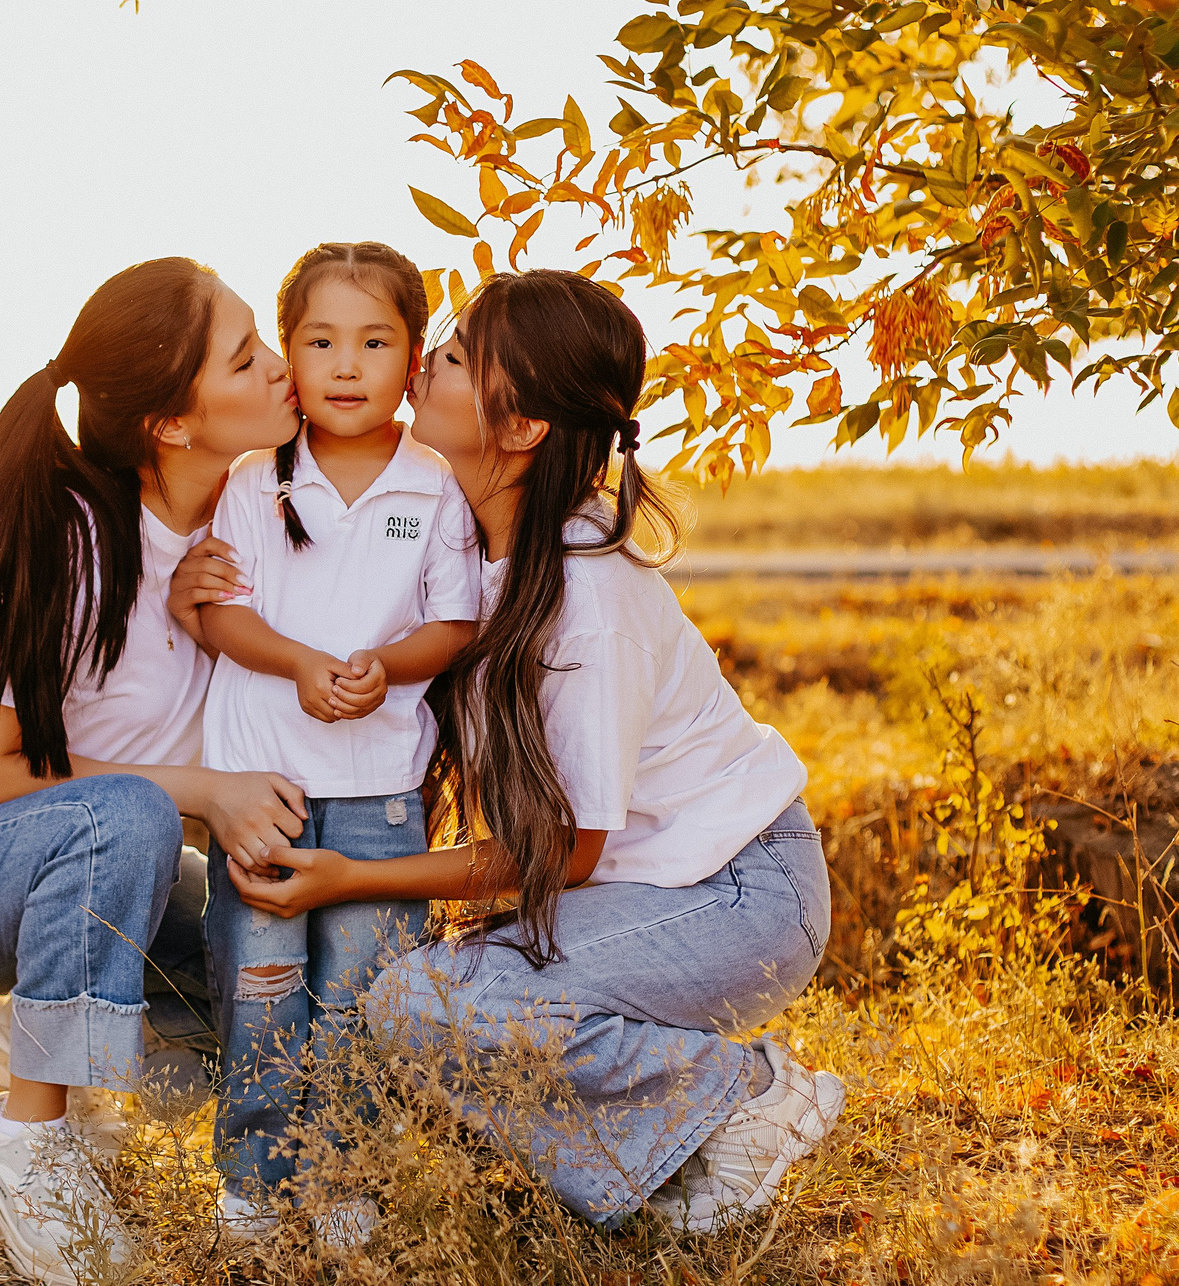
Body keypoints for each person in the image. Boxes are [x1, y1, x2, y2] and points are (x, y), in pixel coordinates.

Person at [225, 270, 846, 1230]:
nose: (428, 358)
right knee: (416, 1004)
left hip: (737, 895)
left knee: (430, 1007)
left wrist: (347, 878)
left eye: (460, 354)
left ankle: (746, 1094)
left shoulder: (586, 598)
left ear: (519, 431)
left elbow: (568, 851)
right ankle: (674, 1151)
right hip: (641, 892)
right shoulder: (469, 541)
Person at [0, 257, 310, 1286]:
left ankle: (26, 1036)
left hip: (92, 862)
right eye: (244, 357)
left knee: (274, 989)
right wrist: (203, 791)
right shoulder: (64, 530)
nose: (280, 368)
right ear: (172, 425)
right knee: (131, 816)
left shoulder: (249, 520)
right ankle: (29, 1152)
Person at [165, 241, 481, 1241]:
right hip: (262, 786)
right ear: (289, 357)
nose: (346, 366)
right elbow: (219, 617)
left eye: (374, 341)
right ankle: (254, 1183)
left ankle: (349, 1178)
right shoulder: (256, 482)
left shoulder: (435, 488)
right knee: (260, 993)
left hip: (382, 791)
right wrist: (301, 663)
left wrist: (386, 666)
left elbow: (456, 622)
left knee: (360, 996)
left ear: (414, 356)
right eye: (319, 341)